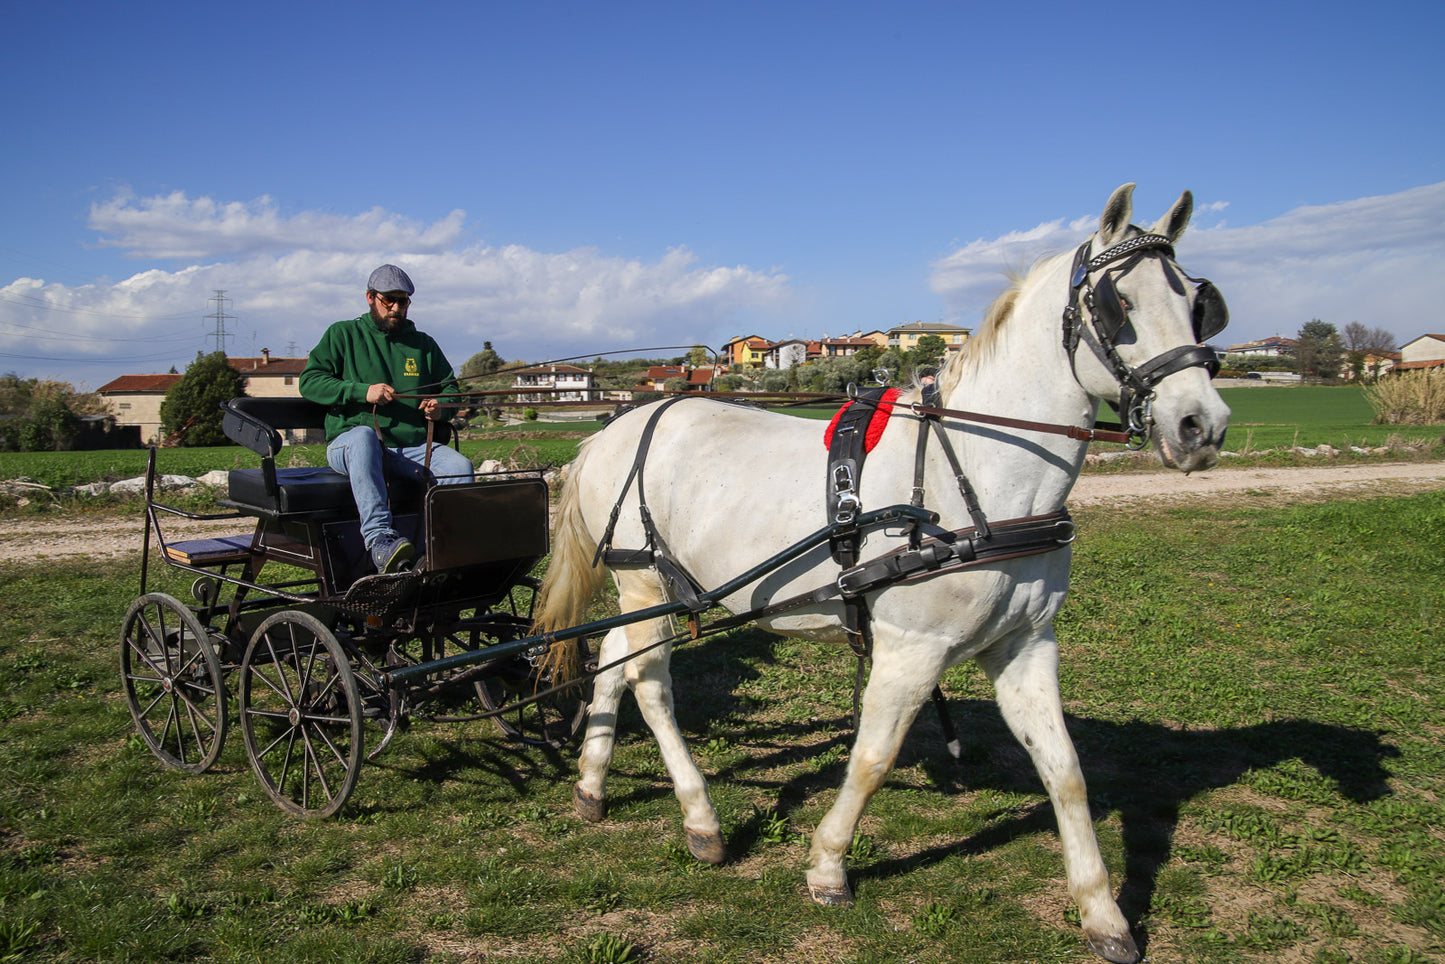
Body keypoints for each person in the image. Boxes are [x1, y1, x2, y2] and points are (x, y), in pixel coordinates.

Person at [299, 264, 474, 573]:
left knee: (460, 467)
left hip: (410, 447)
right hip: (351, 445)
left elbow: (450, 389)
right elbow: (310, 382)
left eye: (403, 301)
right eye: (389, 300)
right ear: (370, 298)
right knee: (365, 435)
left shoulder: (423, 344)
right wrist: (362, 392)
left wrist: (440, 407)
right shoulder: (343, 334)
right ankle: (380, 540)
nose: (396, 308)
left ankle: (447, 551)